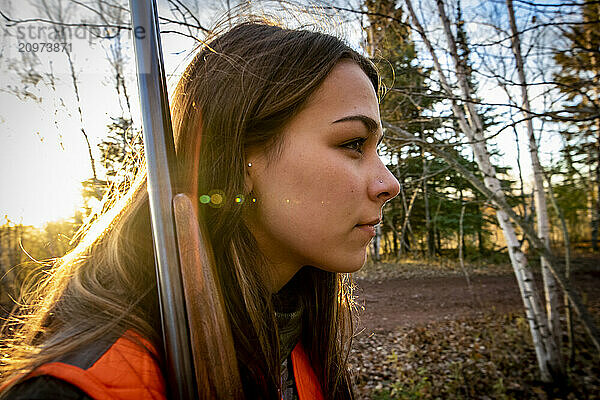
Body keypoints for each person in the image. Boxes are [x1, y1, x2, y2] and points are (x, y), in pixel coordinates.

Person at [0, 20, 400, 399]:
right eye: (353, 143)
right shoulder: (81, 387)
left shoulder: (303, 345)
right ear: (239, 159)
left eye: (377, 148)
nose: (389, 184)